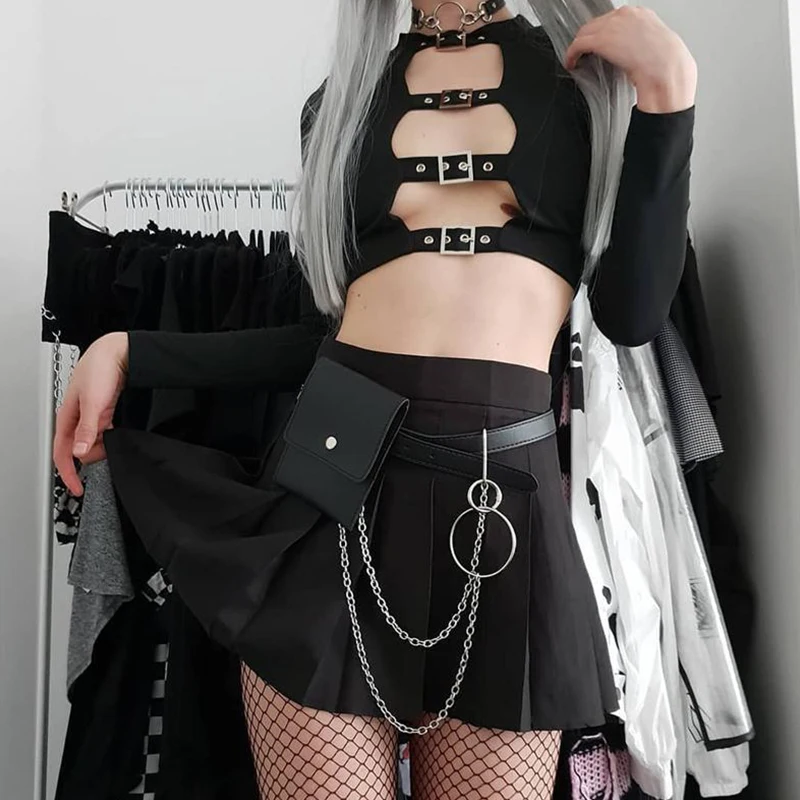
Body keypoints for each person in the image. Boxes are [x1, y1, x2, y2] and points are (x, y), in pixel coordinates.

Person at [53, 2, 697, 798]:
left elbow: (632, 315)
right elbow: (320, 338)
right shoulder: (340, 105)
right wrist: (130, 350)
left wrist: (669, 95)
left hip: (505, 515)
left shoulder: (587, 83)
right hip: (330, 497)